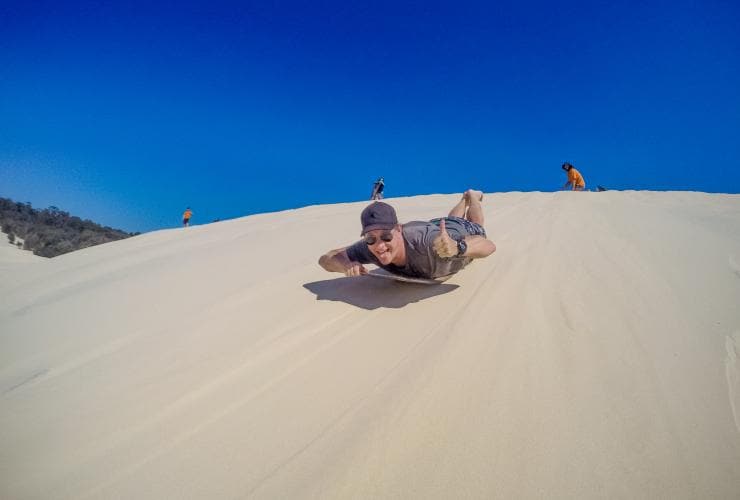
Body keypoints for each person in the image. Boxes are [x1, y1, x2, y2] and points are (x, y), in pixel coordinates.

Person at [319, 189, 496, 279]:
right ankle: (462, 199)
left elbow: (488, 245)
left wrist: (458, 247)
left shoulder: (429, 244)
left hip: (458, 232)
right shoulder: (369, 248)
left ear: (398, 229)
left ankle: (472, 197)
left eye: (386, 236)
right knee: (449, 221)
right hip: (436, 225)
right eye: (371, 238)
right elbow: (326, 258)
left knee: (475, 224)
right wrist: (345, 265)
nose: (379, 246)